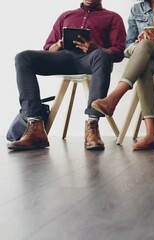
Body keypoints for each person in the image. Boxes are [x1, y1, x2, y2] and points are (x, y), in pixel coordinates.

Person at [8, 0, 126, 151]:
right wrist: (58, 44)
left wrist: (96, 48)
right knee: (23, 57)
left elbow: (118, 51)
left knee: (102, 55)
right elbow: (48, 48)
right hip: (63, 57)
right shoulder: (66, 15)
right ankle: (35, 124)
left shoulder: (112, 17)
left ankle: (92, 125)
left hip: (90, 59)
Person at [91, 0, 154, 150]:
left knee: (146, 46)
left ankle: (114, 97)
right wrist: (138, 44)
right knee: (145, 62)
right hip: (146, 58)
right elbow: (127, 47)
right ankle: (151, 135)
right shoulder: (136, 9)